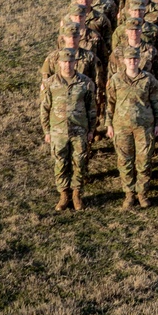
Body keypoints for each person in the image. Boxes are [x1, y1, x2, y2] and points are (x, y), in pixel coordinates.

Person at [105, 46, 158, 209]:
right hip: (121, 127)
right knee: (125, 161)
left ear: (139, 60)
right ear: (124, 61)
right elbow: (110, 104)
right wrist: (108, 124)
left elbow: (156, 103)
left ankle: (142, 193)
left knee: (144, 161)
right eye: (129, 59)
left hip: (144, 127)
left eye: (135, 59)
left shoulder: (149, 80)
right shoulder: (116, 79)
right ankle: (129, 194)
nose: (132, 61)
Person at [40, 49, 97, 212]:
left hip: (79, 130)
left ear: (75, 63)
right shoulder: (51, 83)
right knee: (60, 163)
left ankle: (77, 194)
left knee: (79, 163)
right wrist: (47, 131)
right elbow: (45, 108)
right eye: (64, 62)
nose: (67, 65)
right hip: (58, 131)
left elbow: (91, 108)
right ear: (59, 63)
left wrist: (91, 129)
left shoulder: (85, 83)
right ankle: (64, 194)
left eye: (70, 62)